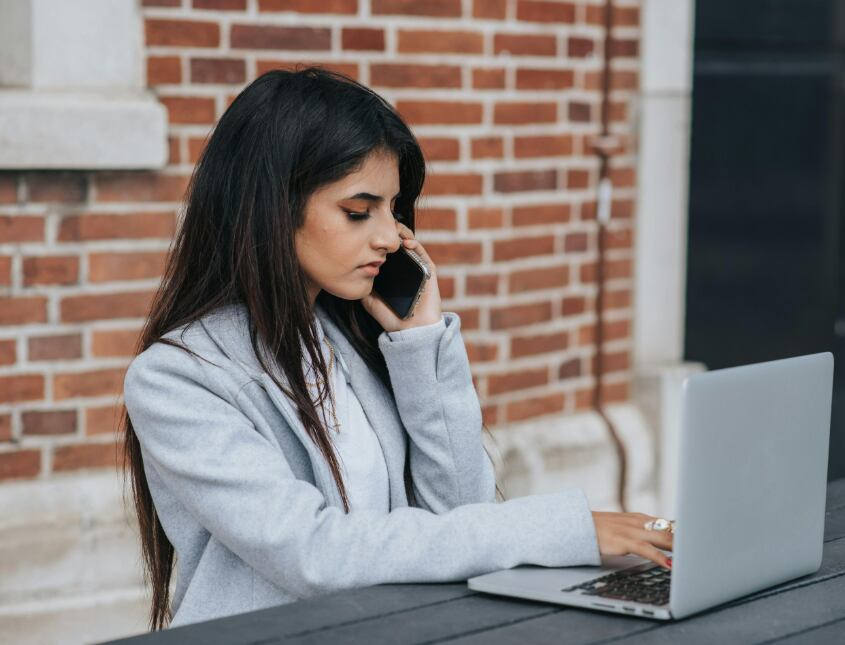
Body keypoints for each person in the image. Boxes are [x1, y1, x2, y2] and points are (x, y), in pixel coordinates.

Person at [121, 67, 674, 631]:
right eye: (358, 212)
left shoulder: (350, 341)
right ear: (272, 208)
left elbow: (461, 513)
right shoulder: (177, 379)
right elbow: (316, 555)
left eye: (393, 208)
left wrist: (420, 341)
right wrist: (558, 530)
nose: (390, 237)